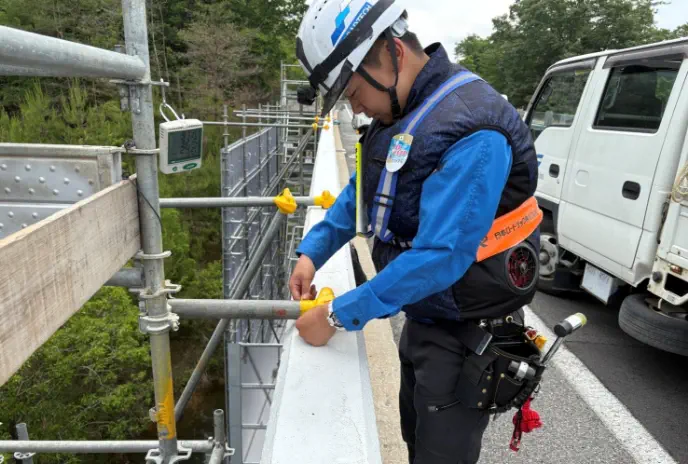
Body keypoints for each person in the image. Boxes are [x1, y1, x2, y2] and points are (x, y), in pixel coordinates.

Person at [289, 1, 541, 462]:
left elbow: (442, 254)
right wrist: (312, 252)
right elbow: (364, 192)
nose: (354, 106)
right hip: (425, 312)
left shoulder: (474, 128)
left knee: (440, 454)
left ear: (393, 53)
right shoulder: (404, 112)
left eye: (352, 90)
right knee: (413, 436)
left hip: (467, 333)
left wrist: (336, 316)